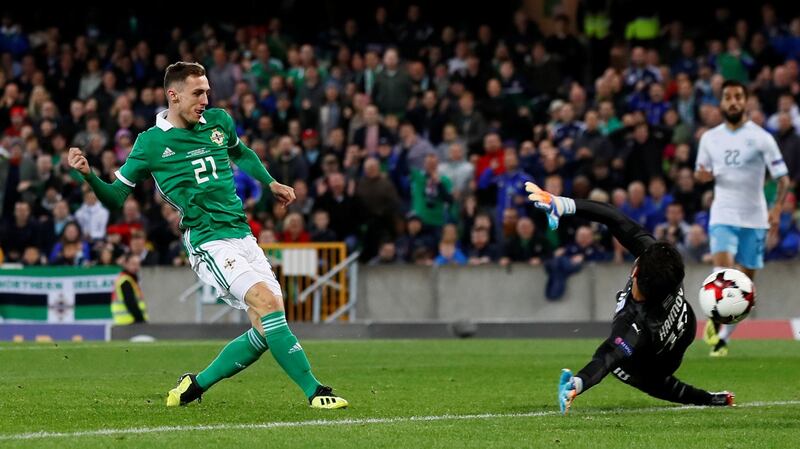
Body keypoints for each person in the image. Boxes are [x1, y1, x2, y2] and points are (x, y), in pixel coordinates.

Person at [68, 61, 347, 409]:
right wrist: (89, 176)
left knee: (266, 326)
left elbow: (240, 152)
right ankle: (316, 391)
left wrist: (270, 182)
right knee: (267, 303)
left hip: (243, 236)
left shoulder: (218, 122)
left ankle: (194, 385)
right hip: (207, 240)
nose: (205, 99)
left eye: (207, 92)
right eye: (197, 92)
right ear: (174, 95)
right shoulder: (150, 144)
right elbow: (115, 197)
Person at [524, 182, 734, 414]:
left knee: (623, 366)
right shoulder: (669, 268)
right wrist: (562, 204)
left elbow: (607, 358)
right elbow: (614, 218)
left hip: (648, 363)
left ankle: (705, 397)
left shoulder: (634, 324)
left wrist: (578, 383)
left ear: (635, 271)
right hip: (683, 327)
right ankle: (709, 398)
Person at [694, 80, 790, 357]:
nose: (733, 101)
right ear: (721, 103)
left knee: (745, 284)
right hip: (723, 212)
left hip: (755, 217)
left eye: (738, 96)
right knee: (723, 271)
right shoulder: (709, 139)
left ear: (745, 101)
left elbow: (782, 179)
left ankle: (724, 337)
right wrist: (703, 177)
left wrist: (775, 210)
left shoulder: (761, 138)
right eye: (728, 97)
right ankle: (714, 319)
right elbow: (702, 172)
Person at [111, 253, 149, 325]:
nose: (136, 267)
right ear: (126, 264)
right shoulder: (125, 281)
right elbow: (130, 302)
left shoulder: (131, 279)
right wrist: (141, 320)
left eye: (138, 264)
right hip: (129, 322)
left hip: (127, 322)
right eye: (133, 264)